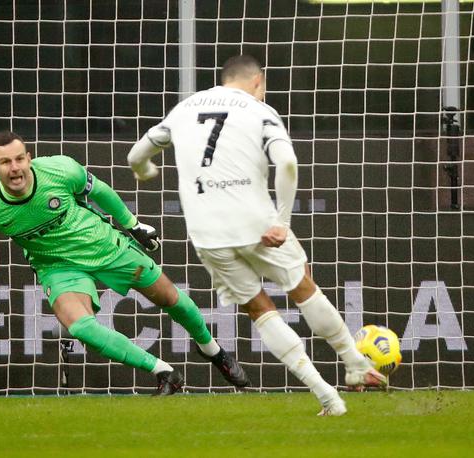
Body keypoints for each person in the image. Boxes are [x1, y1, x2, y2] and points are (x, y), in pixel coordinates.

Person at [127, 55, 385, 415]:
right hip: (258, 224)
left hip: (208, 233)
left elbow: (136, 154)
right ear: (257, 82)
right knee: (302, 286)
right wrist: (282, 220)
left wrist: (145, 170)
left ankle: (326, 395)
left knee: (260, 310)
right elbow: (289, 163)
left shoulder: (184, 108)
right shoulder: (258, 110)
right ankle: (355, 364)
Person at [0, 130, 249, 396]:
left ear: (29, 158)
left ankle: (212, 350)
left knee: (170, 298)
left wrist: (133, 225)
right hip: (57, 267)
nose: (14, 168)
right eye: (5, 162)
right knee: (81, 327)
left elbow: (98, 190)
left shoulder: (60, 170)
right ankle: (164, 372)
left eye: (19, 159)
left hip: (105, 247)